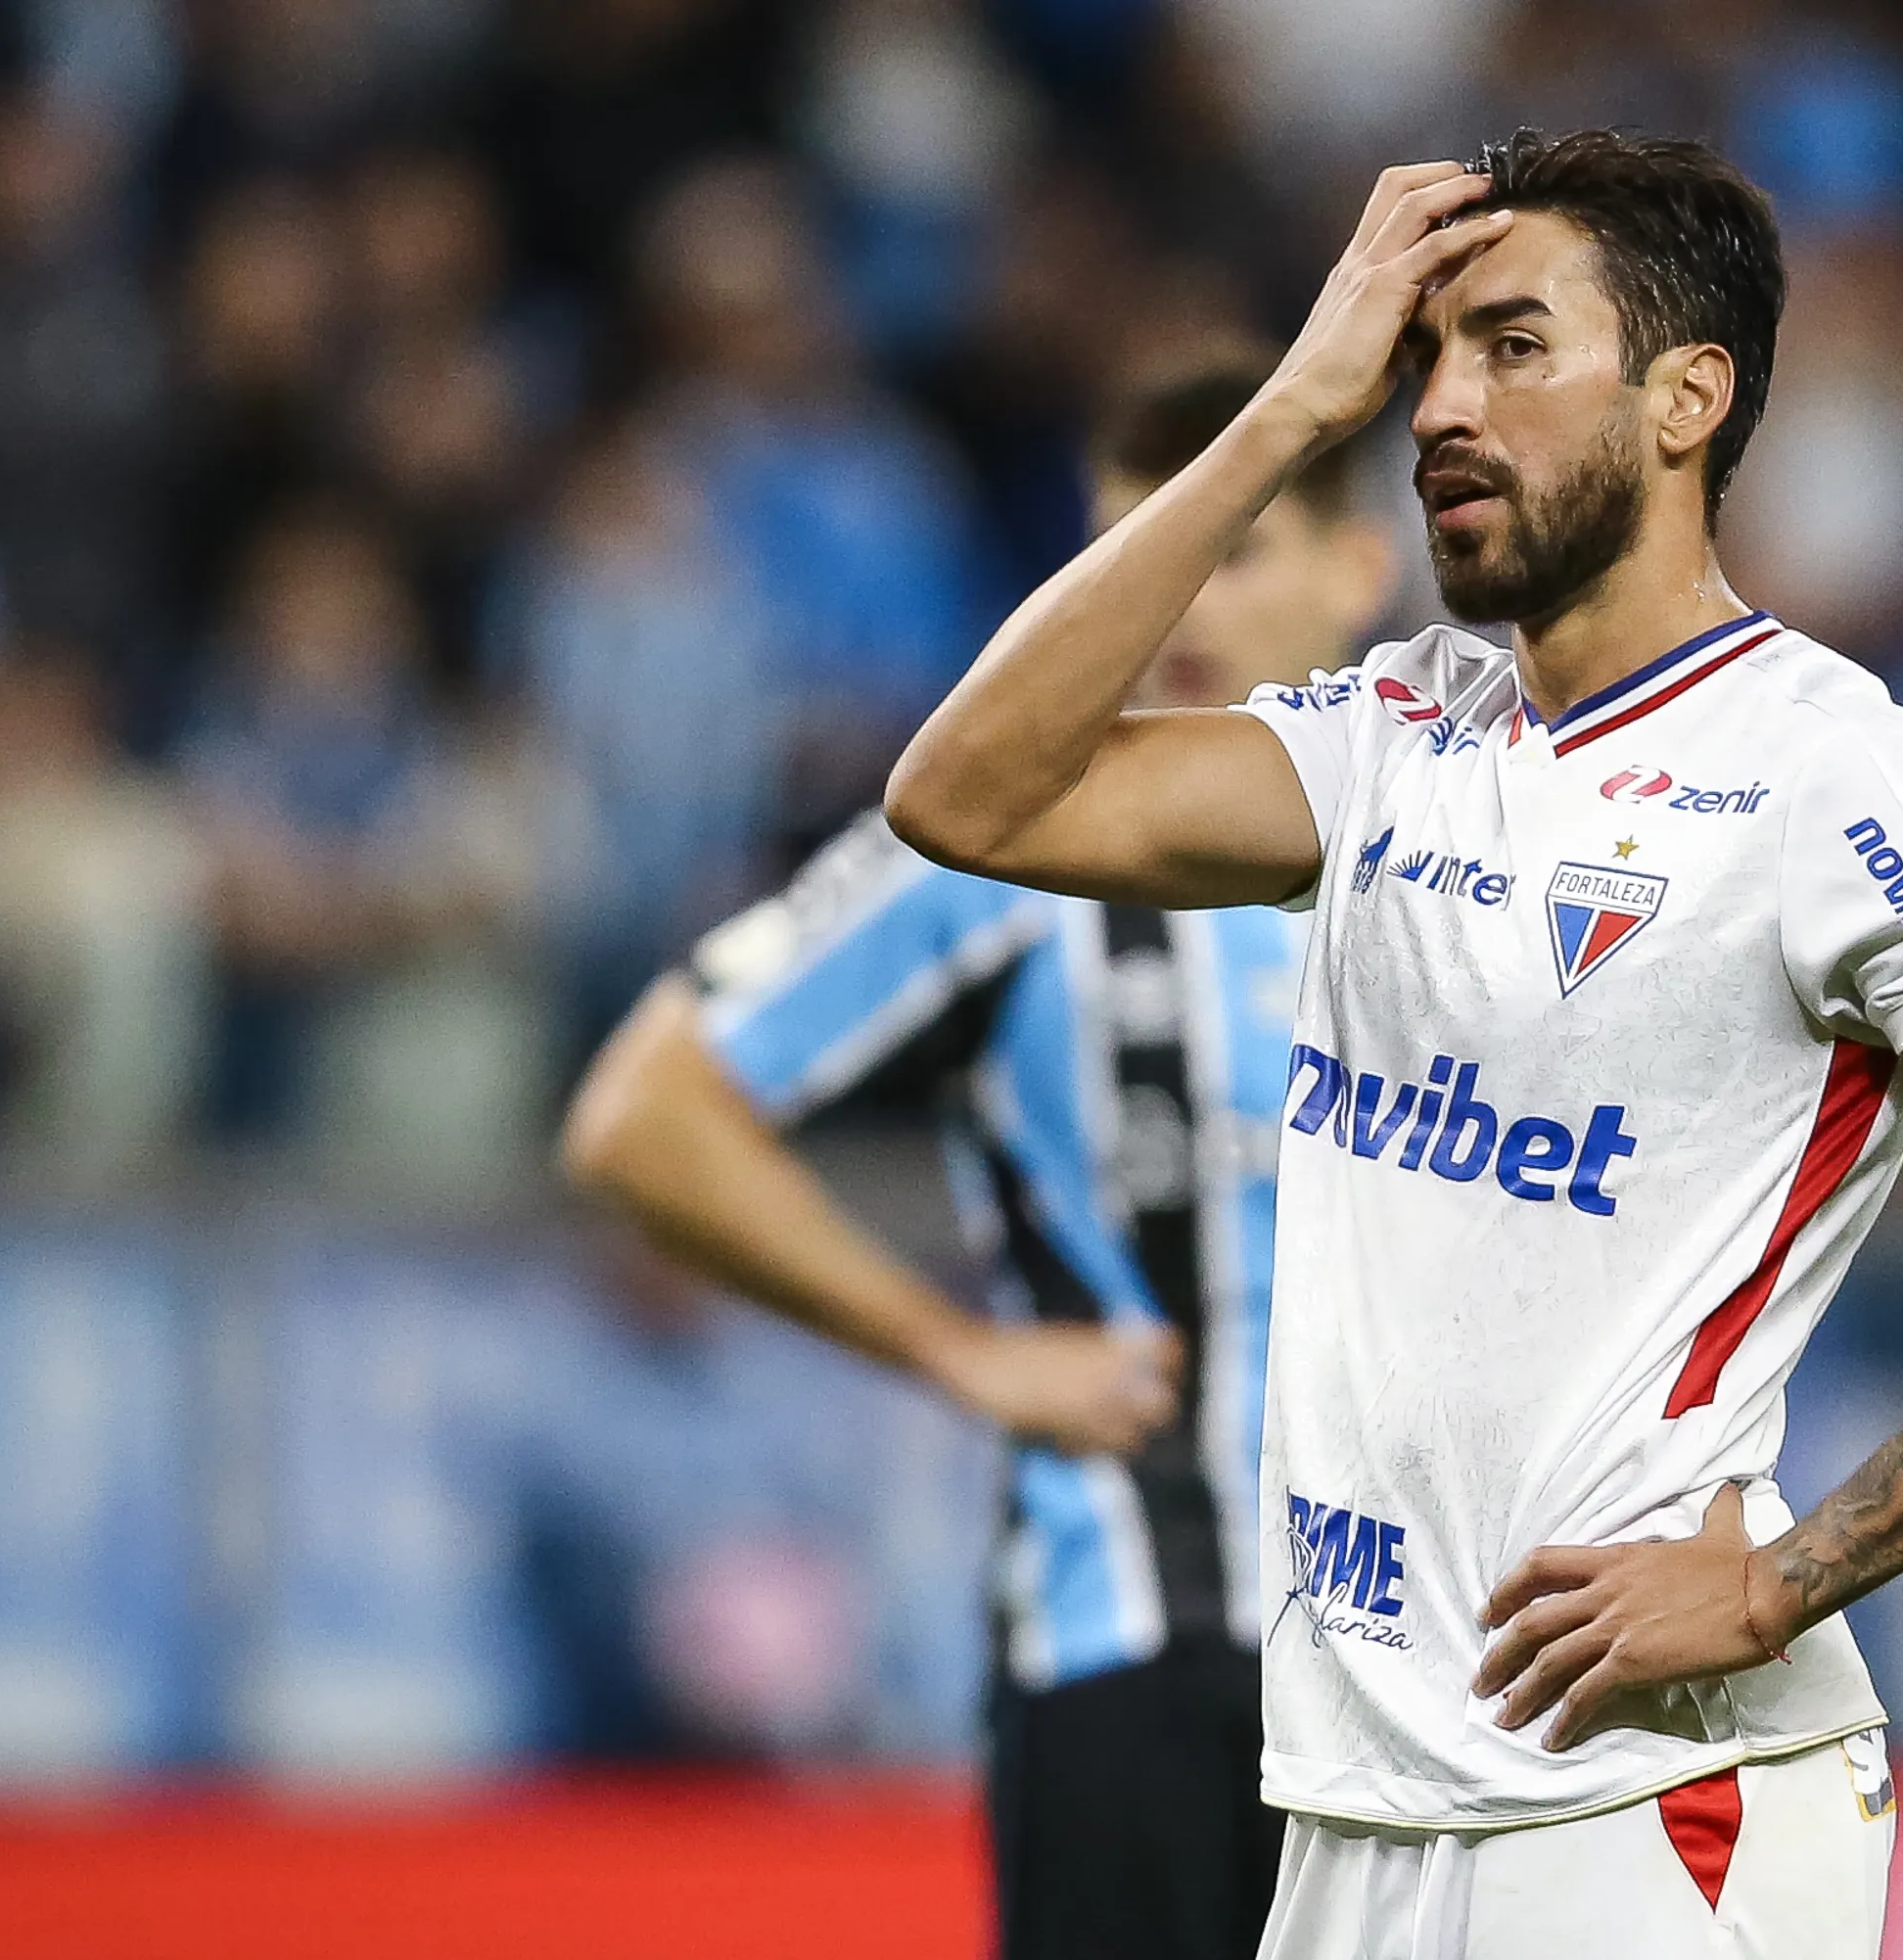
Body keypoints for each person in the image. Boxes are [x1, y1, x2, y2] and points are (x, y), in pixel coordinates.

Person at [883, 131, 1903, 1960]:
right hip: (1355, 1800)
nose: (1442, 404)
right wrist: (1293, 405)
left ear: (1692, 398)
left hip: (1632, 1805)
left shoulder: (1842, 781)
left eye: (1514, 347)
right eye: (1424, 357)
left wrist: (1777, 1582)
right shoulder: (1390, 735)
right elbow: (965, 794)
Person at [560, 360, 1397, 1960]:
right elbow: (641, 1114)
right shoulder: (995, 853)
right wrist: (959, 1350)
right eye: (1136, 550)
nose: (1181, 596)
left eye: (1235, 546)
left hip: (1437, 1687)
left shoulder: (1470, 832)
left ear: (1359, 575)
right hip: (1135, 1663)